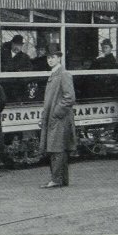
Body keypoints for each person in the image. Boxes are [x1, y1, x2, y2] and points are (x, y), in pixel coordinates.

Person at [38, 48, 76, 188]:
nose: (50, 60)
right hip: (55, 117)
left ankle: (56, 179)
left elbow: (69, 97)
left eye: (53, 57)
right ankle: (61, 179)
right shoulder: (54, 74)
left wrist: (55, 113)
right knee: (57, 148)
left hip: (59, 118)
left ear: (59, 58)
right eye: (48, 58)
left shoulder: (64, 74)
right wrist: (45, 116)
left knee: (57, 148)